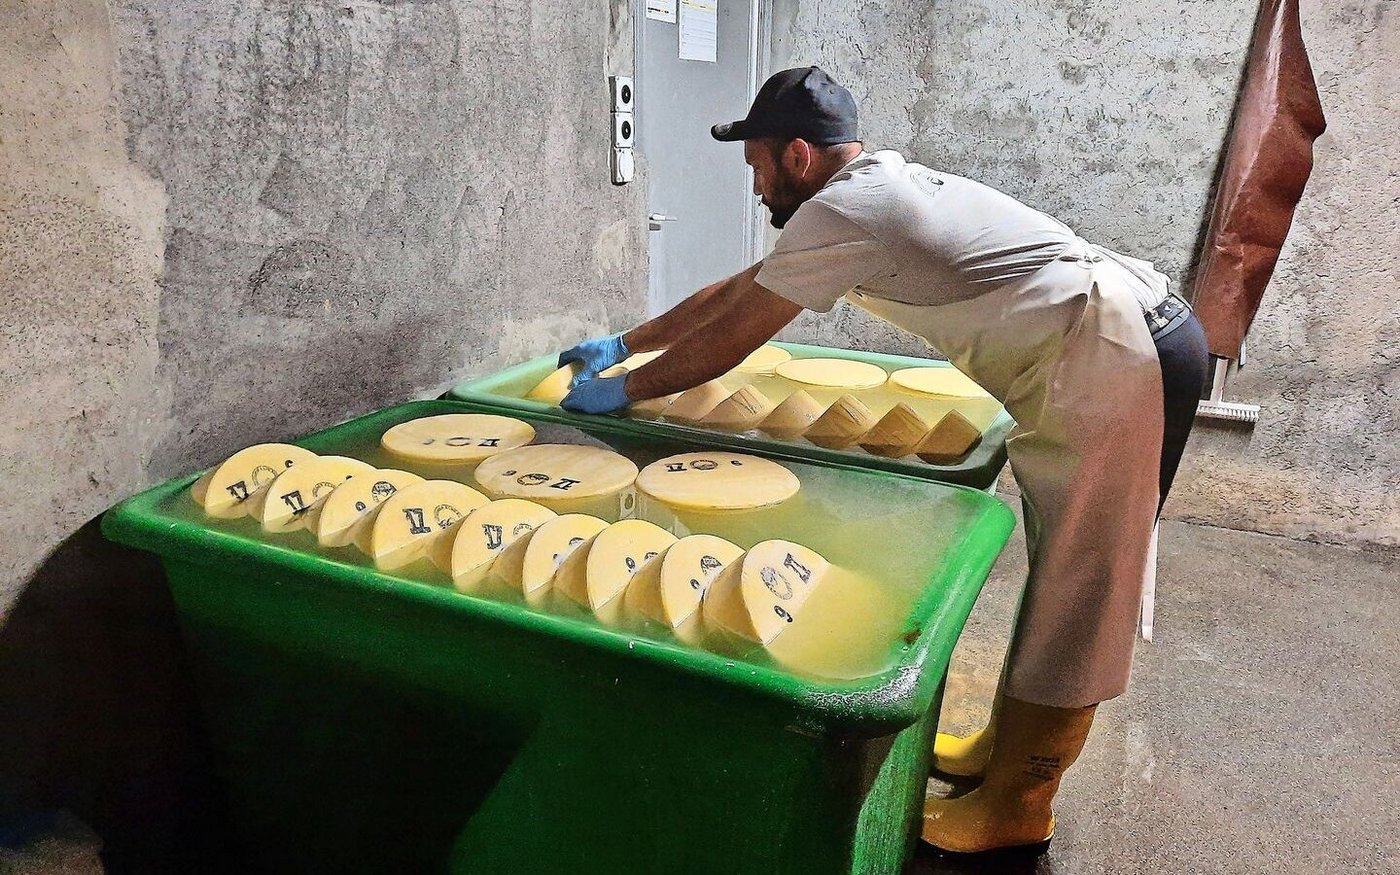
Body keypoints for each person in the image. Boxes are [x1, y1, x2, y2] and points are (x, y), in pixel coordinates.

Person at [556, 66, 1209, 859]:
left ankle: (1018, 805)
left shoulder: (851, 206)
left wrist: (626, 392)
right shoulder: (864, 193)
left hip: (1119, 350)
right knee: (1061, 573)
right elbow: (741, 290)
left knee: (1083, 589)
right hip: (1108, 344)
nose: (756, 184)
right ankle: (1004, 754)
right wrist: (626, 343)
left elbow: (739, 332)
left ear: (798, 155)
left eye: (758, 164)